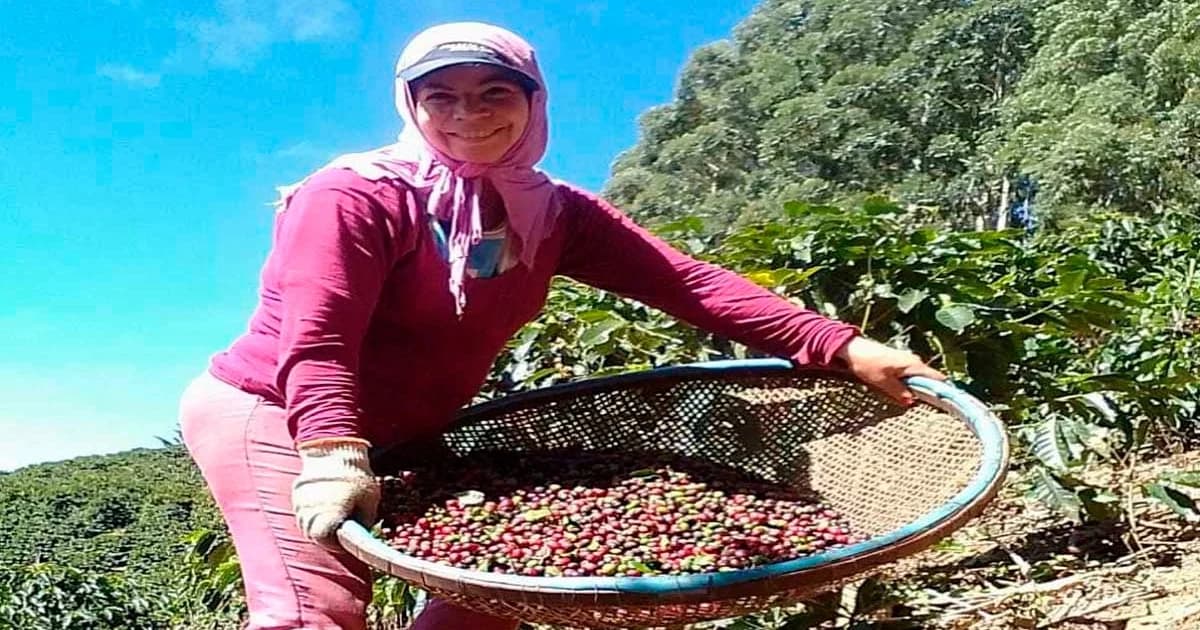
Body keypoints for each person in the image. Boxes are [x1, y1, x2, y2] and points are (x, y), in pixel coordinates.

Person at [179, 21, 945, 630]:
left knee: (495, 592)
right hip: (278, 416)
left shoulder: (549, 214)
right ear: (410, 104)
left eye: (493, 91)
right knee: (313, 613)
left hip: (407, 428)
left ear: (533, 98)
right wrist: (334, 455)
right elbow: (317, 340)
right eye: (440, 95)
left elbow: (689, 283)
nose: (468, 114)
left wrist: (841, 344)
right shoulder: (357, 195)